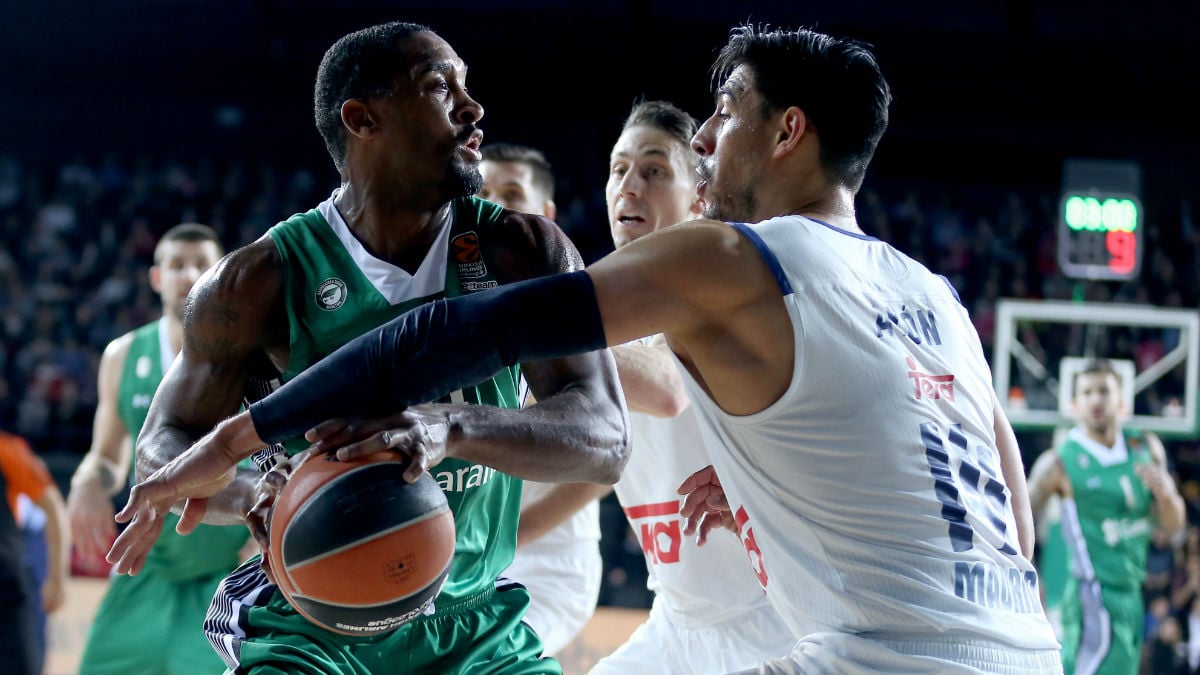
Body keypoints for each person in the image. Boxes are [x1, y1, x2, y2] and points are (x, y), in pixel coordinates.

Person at [111, 24, 1062, 674]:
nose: (704, 137)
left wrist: (260, 431)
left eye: (721, 115)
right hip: (1021, 643)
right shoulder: (932, 292)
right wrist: (255, 486)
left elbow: (476, 341)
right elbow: (1015, 514)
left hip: (854, 651)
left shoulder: (725, 258)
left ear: (788, 132)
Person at [107, 21, 627, 675]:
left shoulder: (521, 251)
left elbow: (607, 439)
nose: (472, 108)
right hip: (312, 625)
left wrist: (450, 425)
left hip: (470, 627)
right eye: (440, 87)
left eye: (466, 87)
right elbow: (164, 440)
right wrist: (253, 495)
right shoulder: (258, 279)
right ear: (362, 118)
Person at [587, 100, 794, 675]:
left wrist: (517, 339)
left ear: (699, 197)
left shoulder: (728, 288)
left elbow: (667, 387)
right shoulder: (605, 308)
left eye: (653, 171)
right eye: (618, 168)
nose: (629, 186)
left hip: (775, 620)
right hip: (677, 622)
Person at [67, 223, 255, 675]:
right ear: (157, 278)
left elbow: (282, 456)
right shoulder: (123, 355)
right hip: (144, 571)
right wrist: (87, 478)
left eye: (200, 264)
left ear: (220, 274)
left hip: (224, 574)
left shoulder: (254, 356)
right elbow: (109, 457)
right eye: (176, 265)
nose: (188, 274)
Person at [478, 142, 606, 656]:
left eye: (512, 194)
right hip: (456, 559)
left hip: (545, 564)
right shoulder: (438, 303)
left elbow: (602, 471)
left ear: (546, 214)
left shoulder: (574, 309)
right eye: (484, 193)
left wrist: (501, 543)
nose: (495, 207)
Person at [1027, 359, 1186, 675]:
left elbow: (1173, 526)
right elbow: (1016, 518)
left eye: (1104, 391)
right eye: (1087, 392)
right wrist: (1029, 574)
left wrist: (1167, 495)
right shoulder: (1059, 462)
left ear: (1121, 401)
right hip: (1092, 594)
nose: (1096, 399)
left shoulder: (1146, 447)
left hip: (1132, 592)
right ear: (1075, 404)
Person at [1, 429, 69, 675]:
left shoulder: (7, 451)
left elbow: (53, 507)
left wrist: (57, 578)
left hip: (7, 586)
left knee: (24, 665)